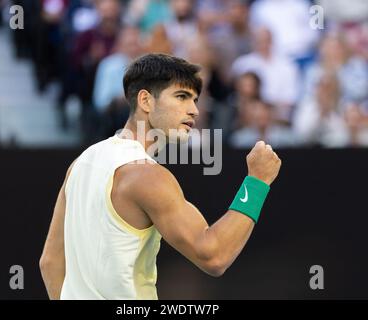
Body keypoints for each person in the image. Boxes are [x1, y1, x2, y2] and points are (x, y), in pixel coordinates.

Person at [39, 53, 281, 300]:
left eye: (195, 99)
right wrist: (258, 181)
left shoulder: (81, 163)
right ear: (145, 100)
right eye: (181, 97)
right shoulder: (146, 175)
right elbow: (214, 255)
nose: (194, 110)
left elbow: (50, 262)